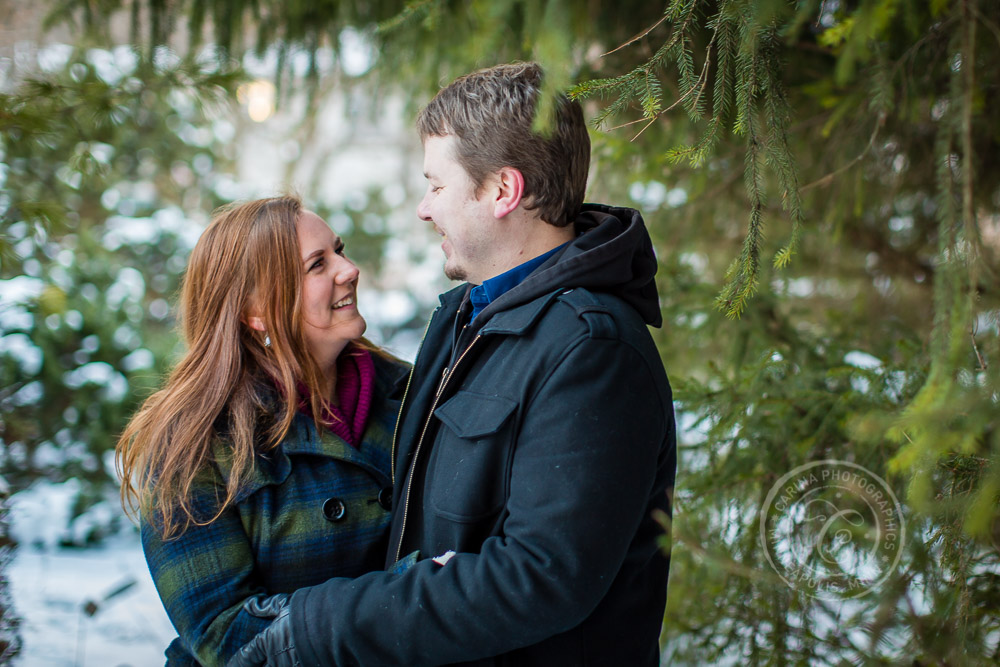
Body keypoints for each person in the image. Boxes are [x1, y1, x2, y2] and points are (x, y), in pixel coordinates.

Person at [231, 62, 677, 666]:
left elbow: (540, 576)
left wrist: (322, 624)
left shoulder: (592, 350)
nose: (423, 208)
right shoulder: (469, 319)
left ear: (502, 191)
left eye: (436, 185)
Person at [116, 196, 410, 666]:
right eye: (318, 264)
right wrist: (403, 600)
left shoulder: (409, 393)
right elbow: (226, 635)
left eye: (340, 250)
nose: (350, 269)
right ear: (257, 311)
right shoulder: (193, 446)